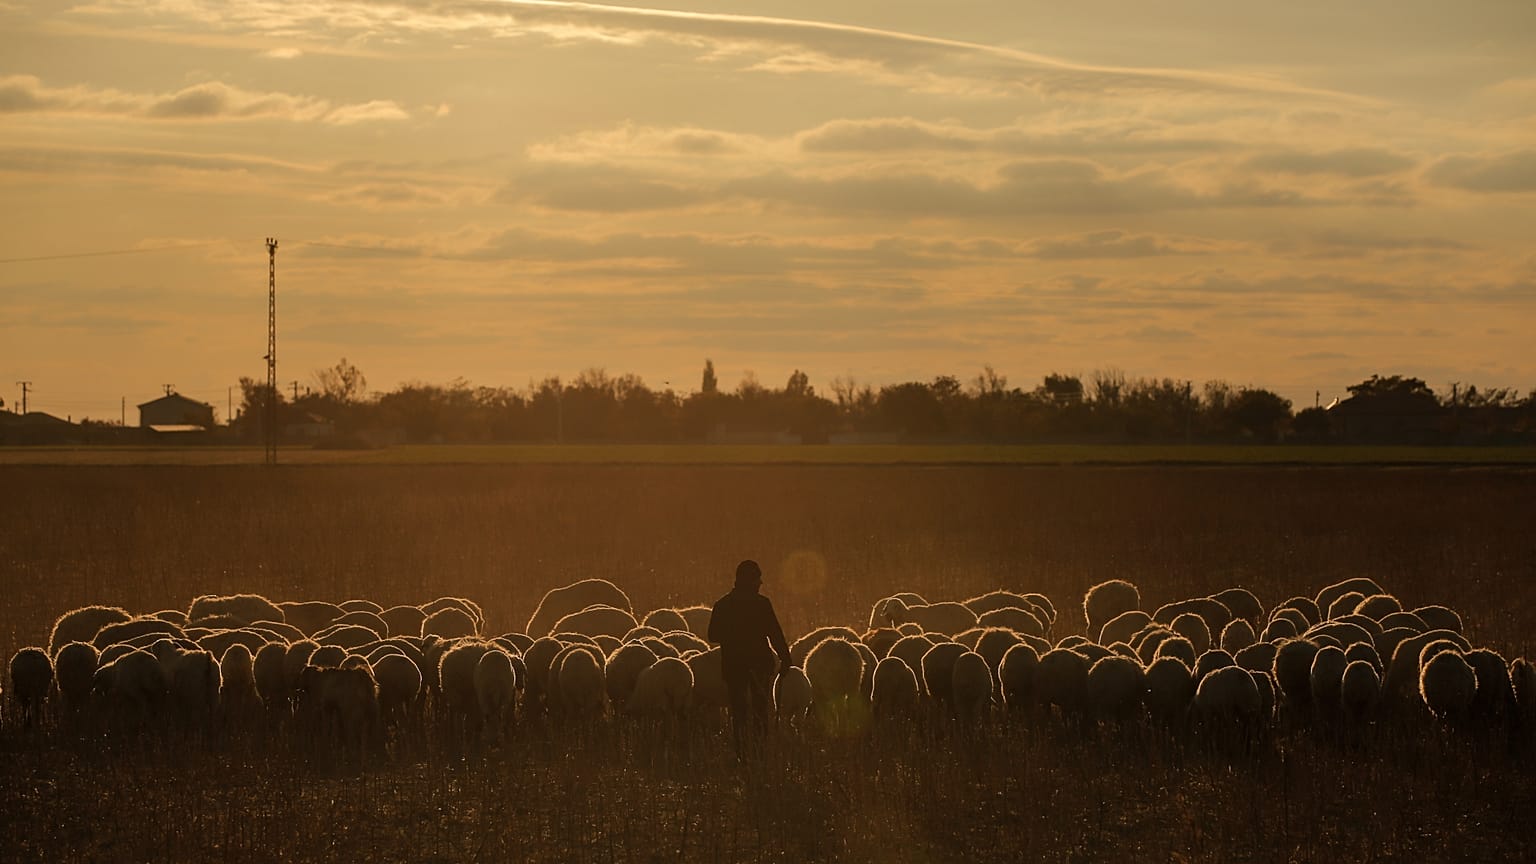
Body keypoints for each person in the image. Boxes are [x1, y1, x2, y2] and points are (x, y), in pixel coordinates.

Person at [708, 559, 794, 755]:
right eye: (758, 579)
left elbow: (712, 636)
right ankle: (759, 752)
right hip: (759, 664)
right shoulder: (762, 604)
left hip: (733, 665)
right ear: (750, 580)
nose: (760, 583)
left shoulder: (722, 605)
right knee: (760, 710)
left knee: (738, 711)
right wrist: (785, 658)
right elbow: (775, 633)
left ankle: (741, 753)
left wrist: (732, 633)